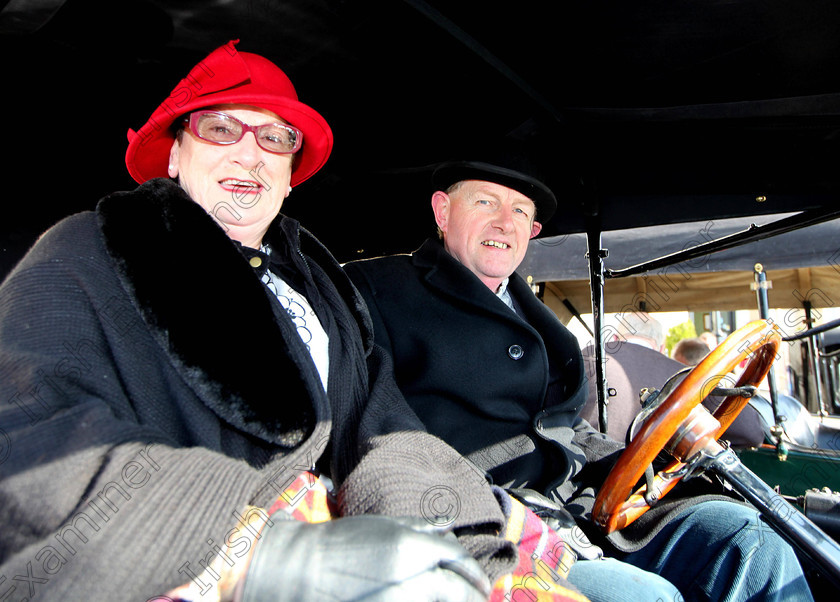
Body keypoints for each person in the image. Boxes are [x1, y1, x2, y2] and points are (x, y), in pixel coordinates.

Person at [0, 41, 537, 601]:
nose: (249, 154)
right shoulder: (90, 250)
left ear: (288, 175)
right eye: (220, 128)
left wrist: (453, 536)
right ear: (174, 154)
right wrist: (255, 557)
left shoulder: (321, 288)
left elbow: (382, 429)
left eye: (276, 139)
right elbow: (30, 432)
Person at [344, 156, 813, 601]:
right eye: (485, 201)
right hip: (478, 523)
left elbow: (567, 428)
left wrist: (640, 467)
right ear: (443, 211)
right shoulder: (377, 290)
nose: (504, 222)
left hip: (583, 510)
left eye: (520, 211)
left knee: (749, 539)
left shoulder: (538, 320)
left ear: (533, 231)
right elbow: (377, 429)